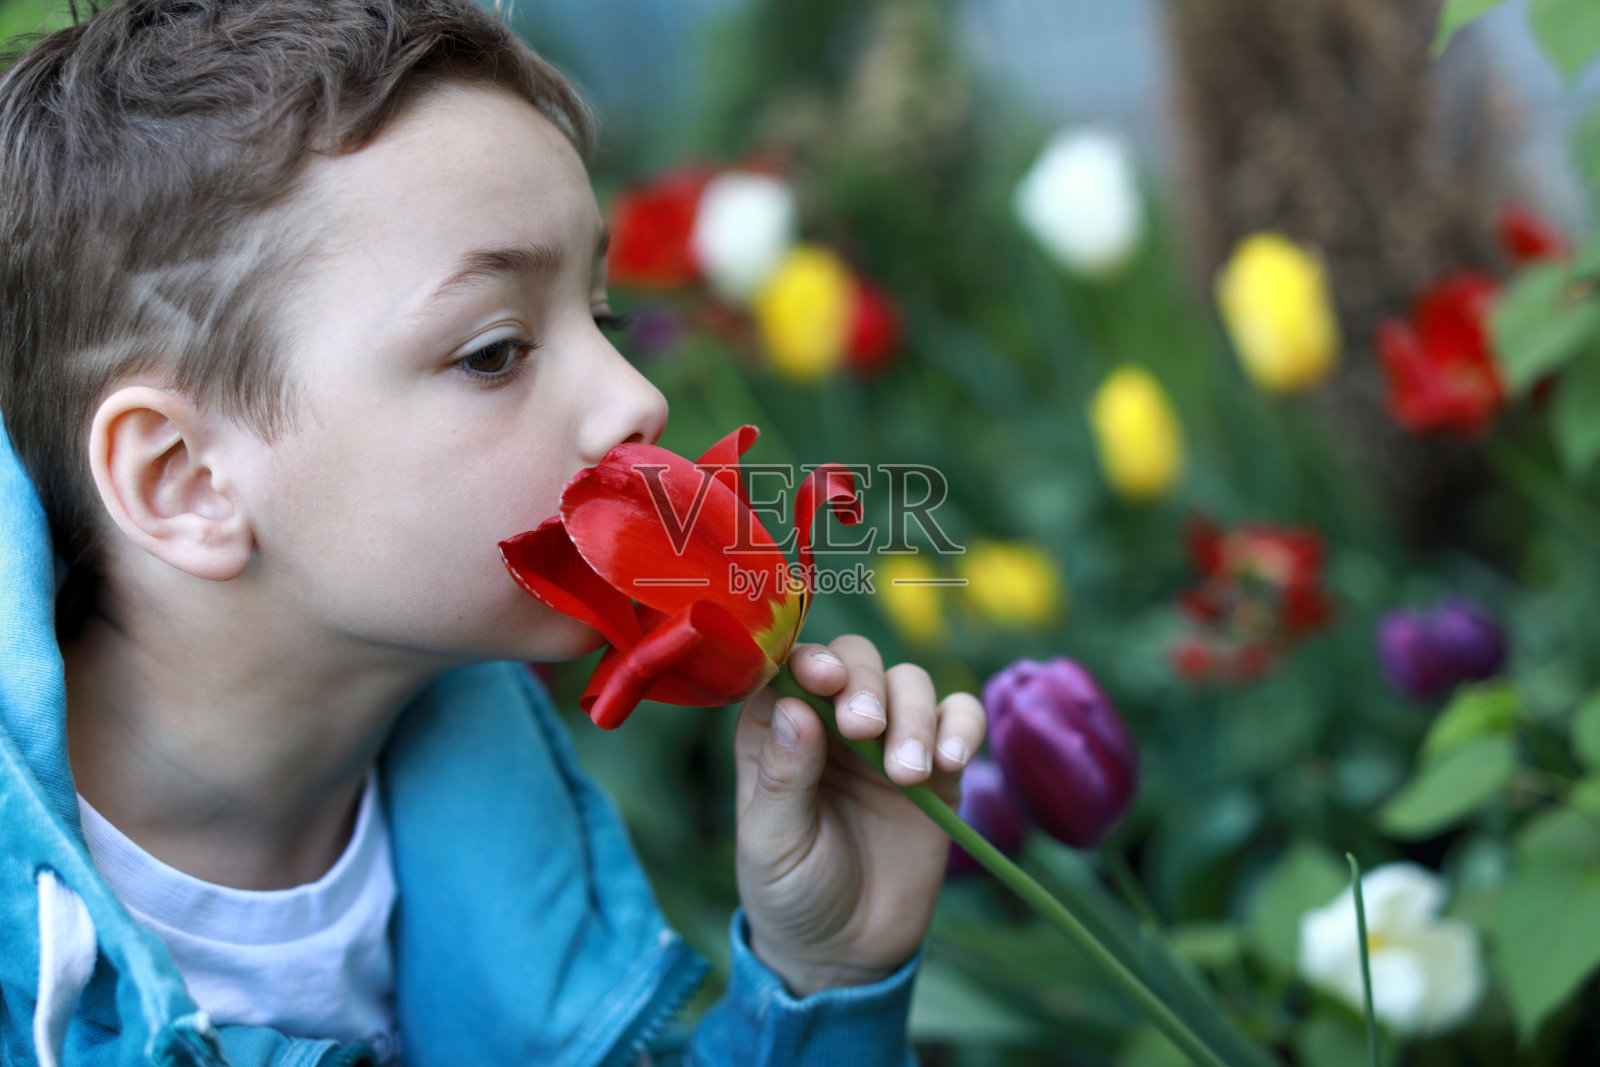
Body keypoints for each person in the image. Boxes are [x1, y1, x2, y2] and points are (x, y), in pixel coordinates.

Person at [0, 2, 986, 1065]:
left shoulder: (513, 860)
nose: (636, 400)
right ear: (186, 480)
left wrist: (822, 980)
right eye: (494, 351)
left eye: (600, 318)